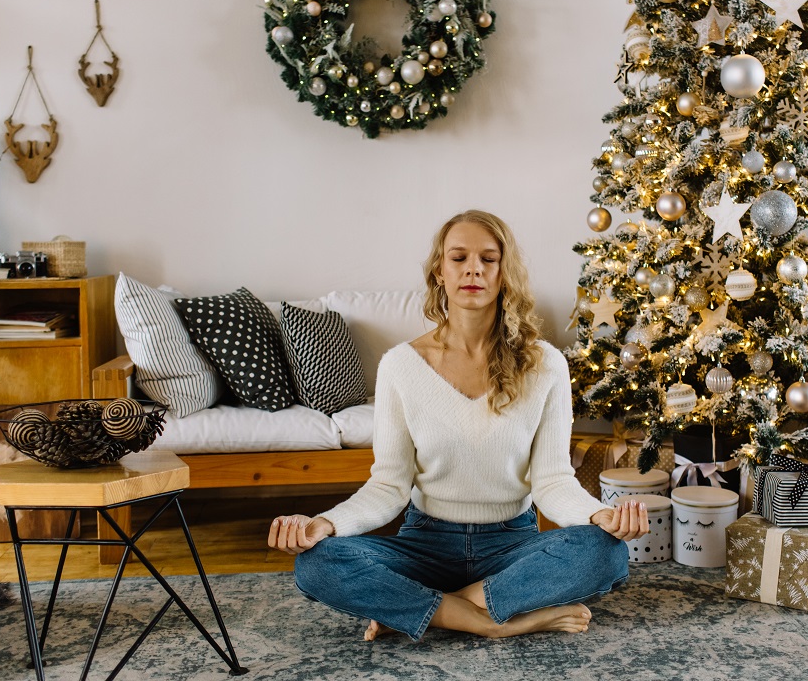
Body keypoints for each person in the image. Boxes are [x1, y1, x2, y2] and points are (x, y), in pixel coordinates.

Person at [268, 210, 647, 641]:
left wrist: (598, 514)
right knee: (316, 562)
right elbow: (388, 487)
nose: (473, 269)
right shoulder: (400, 366)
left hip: (512, 543)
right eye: (459, 257)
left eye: (488, 258)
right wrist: (327, 524)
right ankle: (496, 621)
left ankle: (428, 607)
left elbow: (553, 482)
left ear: (505, 273)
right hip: (424, 543)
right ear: (439, 271)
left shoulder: (545, 365)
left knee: (605, 552)